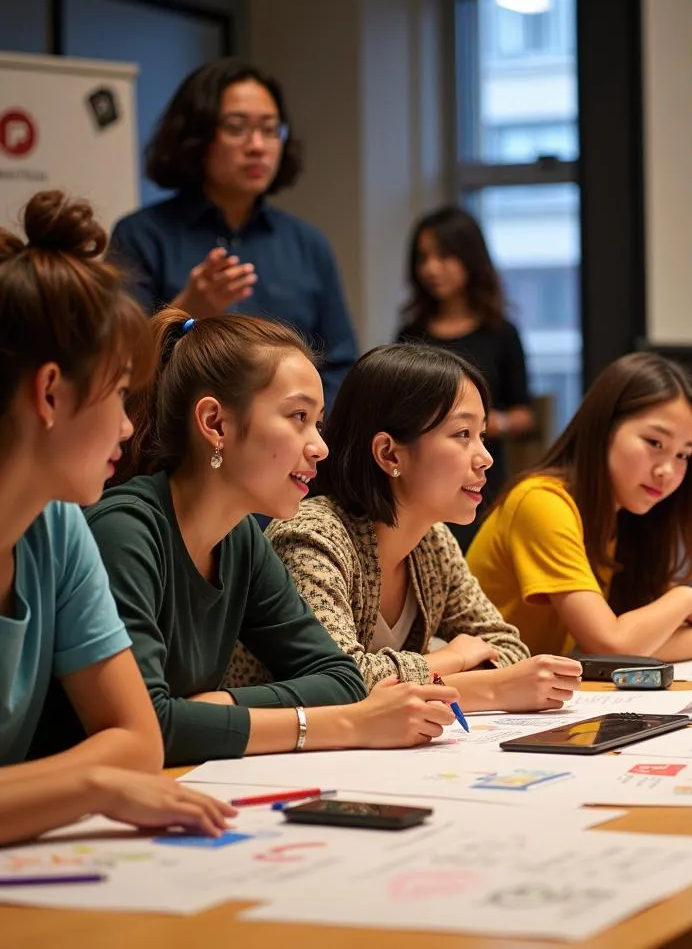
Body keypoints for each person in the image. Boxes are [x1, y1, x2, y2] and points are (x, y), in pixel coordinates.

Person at [78, 308, 457, 768]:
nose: (320, 447)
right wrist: (345, 724)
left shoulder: (239, 537)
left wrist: (219, 706)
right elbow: (148, 727)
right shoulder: (125, 531)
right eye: (298, 416)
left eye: (318, 422)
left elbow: (341, 679)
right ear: (215, 424)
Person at [0, 191, 233, 845]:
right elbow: (118, 763)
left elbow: (137, 742)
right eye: (120, 394)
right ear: (50, 393)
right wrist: (87, 785)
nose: (130, 425)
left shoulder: (56, 525)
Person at [224, 344, 581, 712]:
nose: (485, 458)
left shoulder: (433, 539)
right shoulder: (311, 535)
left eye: (483, 436)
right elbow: (338, 681)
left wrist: (441, 676)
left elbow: (505, 646)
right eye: (462, 434)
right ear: (390, 454)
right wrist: (454, 662)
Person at [466, 352, 692, 658]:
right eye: (655, 443)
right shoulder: (542, 502)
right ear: (605, 428)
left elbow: (640, 646)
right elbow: (611, 644)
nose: (667, 471)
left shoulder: (622, 516)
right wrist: (687, 599)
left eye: (683, 455)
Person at [110, 58, 357, 411]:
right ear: (196, 136)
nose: (257, 145)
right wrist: (185, 310)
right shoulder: (140, 235)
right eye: (237, 127)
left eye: (271, 129)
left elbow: (340, 364)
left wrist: (310, 430)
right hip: (174, 448)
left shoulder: (307, 244)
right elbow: (118, 367)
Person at [396, 207, 533, 549]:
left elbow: (524, 412)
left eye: (443, 256)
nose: (431, 268)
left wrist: (474, 428)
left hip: (481, 477)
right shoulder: (410, 332)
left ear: (469, 259)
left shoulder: (501, 332)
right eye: (423, 258)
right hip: (423, 476)